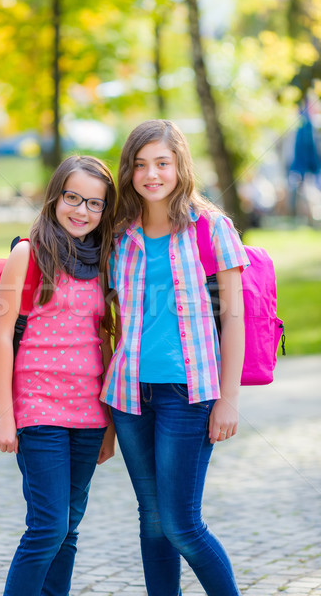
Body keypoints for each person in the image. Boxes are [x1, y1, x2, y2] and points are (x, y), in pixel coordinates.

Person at [100, 120, 250, 596]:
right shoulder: (120, 234)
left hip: (189, 393)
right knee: (151, 520)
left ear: (179, 165)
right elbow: (105, 314)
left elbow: (235, 319)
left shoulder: (212, 227)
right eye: (141, 164)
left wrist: (229, 399)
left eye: (162, 163)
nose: (152, 174)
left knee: (182, 524)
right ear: (129, 171)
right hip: (128, 394)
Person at [0, 155, 117, 596]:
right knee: (47, 526)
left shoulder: (104, 261)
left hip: (87, 415)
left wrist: (109, 425)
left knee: (70, 528)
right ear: (55, 197)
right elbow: (1, 336)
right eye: (73, 198)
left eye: (95, 203)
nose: (82, 211)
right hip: (38, 409)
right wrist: (3, 415)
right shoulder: (28, 253)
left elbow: (105, 341)